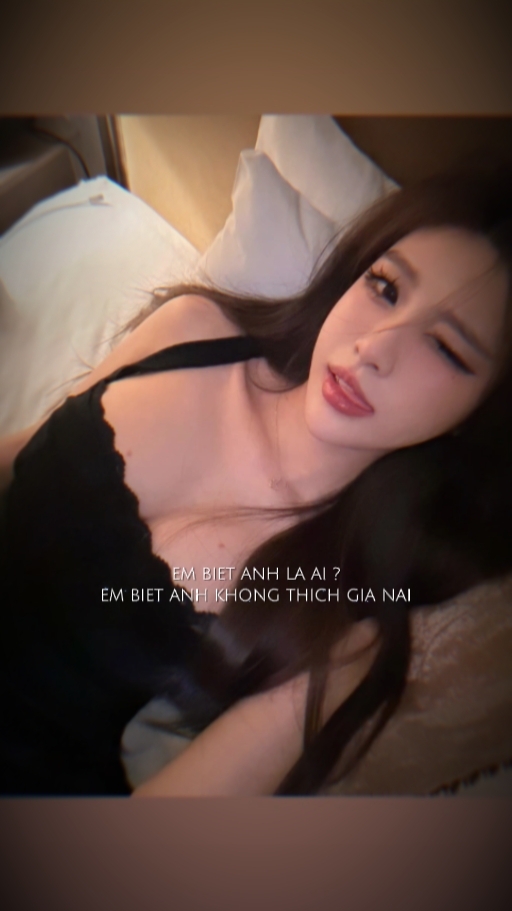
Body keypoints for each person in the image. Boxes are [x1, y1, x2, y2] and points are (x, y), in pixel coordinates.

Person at [1, 159, 512, 797]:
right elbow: (21, 453)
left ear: (483, 414)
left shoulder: (341, 623)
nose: (374, 348)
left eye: (446, 348)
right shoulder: (193, 331)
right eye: (385, 287)